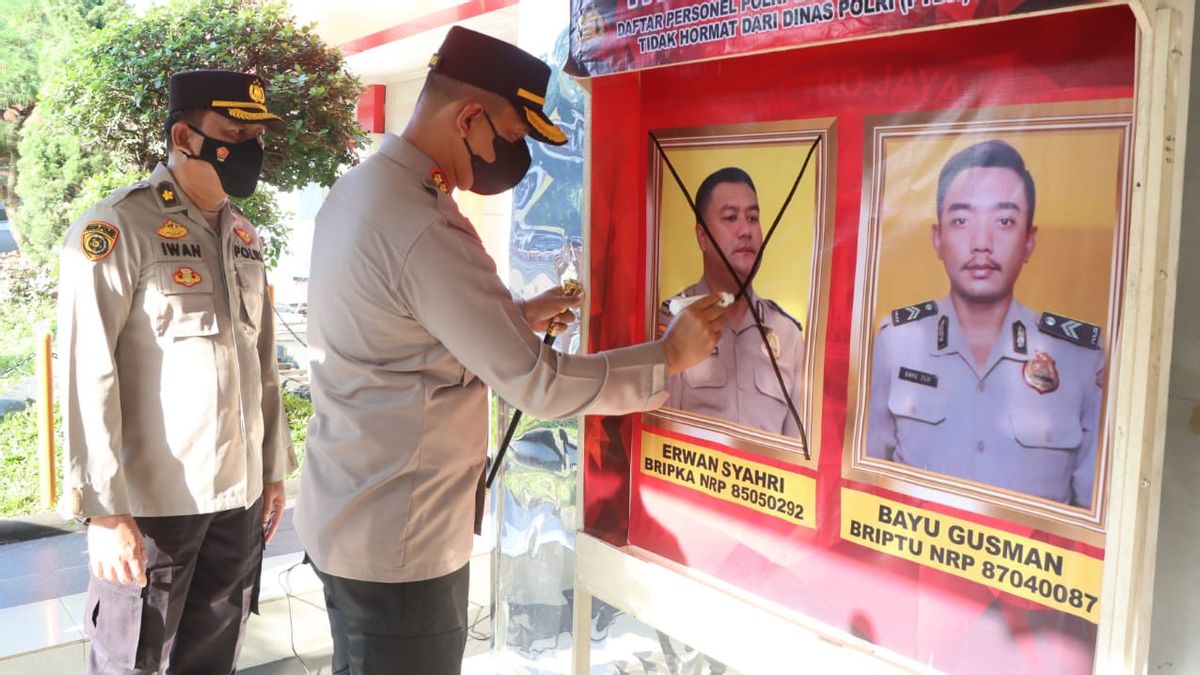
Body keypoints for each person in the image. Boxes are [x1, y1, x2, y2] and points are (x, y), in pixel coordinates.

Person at [294, 26, 724, 675]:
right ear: (468, 117)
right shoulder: (423, 226)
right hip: (399, 549)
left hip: (353, 518)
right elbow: (540, 385)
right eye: (512, 136)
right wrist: (668, 357)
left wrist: (511, 317)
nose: (515, 159)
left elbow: (393, 334)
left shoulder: (360, 193)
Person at [56, 70, 294, 674]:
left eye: (256, 135)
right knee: (134, 662)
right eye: (233, 132)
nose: (249, 148)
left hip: (236, 505)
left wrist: (271, 471)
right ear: (185, 135)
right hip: (153, 509)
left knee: (214, 659)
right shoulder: (116, 228)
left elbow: (262, 366)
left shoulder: (244, 237)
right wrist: (104, 512)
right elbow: (88, 373)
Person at [866, 139, 1103, 508]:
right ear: (938, 238)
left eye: (1004, 221)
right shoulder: (897, 340)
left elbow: (1092, 509)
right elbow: (868, 478)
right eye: (961, 220)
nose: (981, 243)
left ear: (1029, 242)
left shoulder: (1080, 357)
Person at [658, 167, 805, 438]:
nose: (745, 230)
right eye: (730, 217)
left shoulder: (789, 334)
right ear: (702, 237)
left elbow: (797, 451)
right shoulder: (670, 322)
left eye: (752, 218)